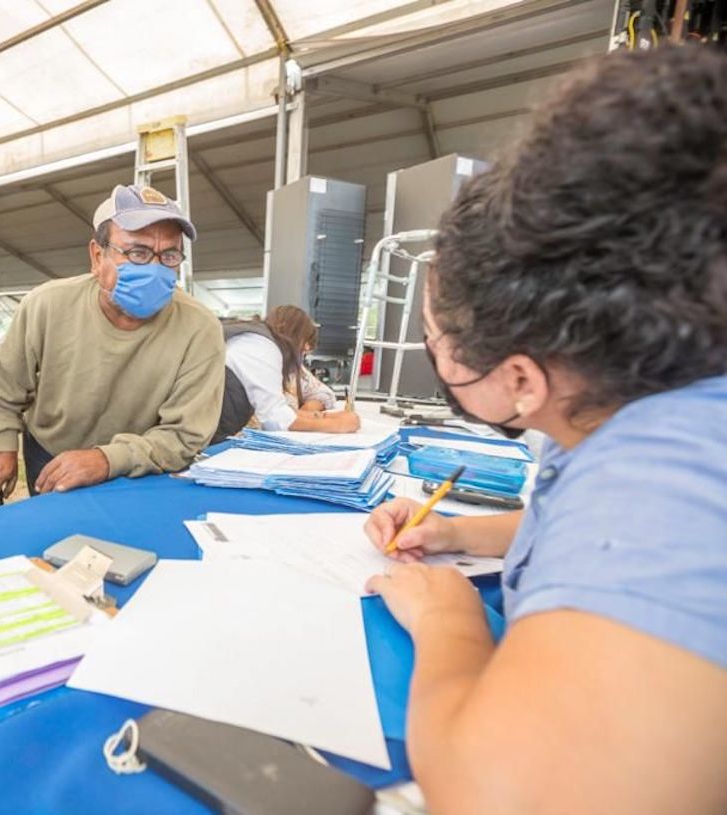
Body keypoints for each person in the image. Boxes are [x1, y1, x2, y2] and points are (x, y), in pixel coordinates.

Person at [361, 46, 726, 813]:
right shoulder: (633, 405)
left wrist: (448, 618)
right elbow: (577, 531)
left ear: (522, 380)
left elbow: (492, 794)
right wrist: (459, 534)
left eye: (436, 337)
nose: (431, 351)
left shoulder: (666, 480)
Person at [0, 184, 225, 501]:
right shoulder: (47, 304)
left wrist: (107, 459)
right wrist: (2, 446)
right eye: (137, 253)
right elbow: (6, 382)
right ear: (97, 256)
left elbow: (185, 434)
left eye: (169, 255)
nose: (154, 269)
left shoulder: (199, 328)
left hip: (139, 468)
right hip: (49, 451)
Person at [213, 305, 360, 442]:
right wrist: (337, 425)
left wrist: (314, 415)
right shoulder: (261, 347)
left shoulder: (253, 339)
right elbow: (275, 420)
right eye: (303, 351)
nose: (301, 359)